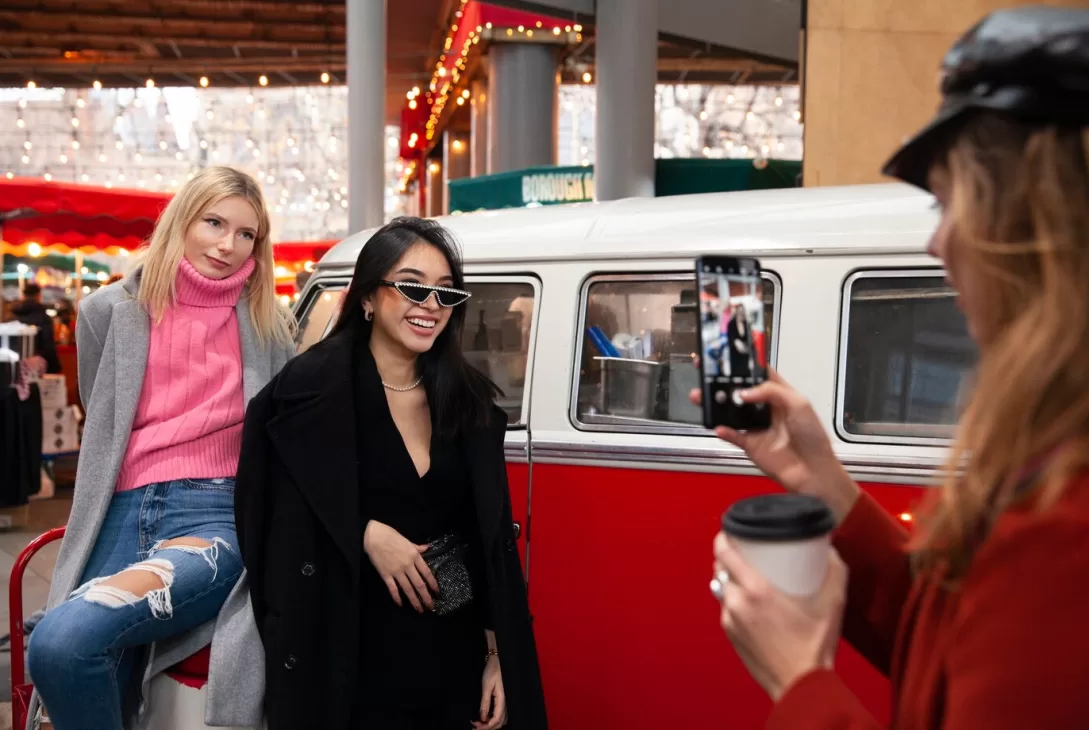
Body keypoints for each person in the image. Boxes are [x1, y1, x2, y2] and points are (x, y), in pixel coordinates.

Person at [699, 7, 1089, 729]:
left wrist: (800, 684)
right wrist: (826, 487)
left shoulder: (1063, 531)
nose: (935, 244)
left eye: (950, 203)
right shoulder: (1051, 450)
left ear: (1034, 225)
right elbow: (962, 635)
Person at [234, 217, 547, 730]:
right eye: (411, 286)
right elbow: (267, 516)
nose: (430, 305)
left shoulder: (466, 401)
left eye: (445, 293)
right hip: (348, 659)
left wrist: (498, 654)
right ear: (368, 298)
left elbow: (488, 540)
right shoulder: (307, 392)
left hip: (452, 659)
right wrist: (364, 531)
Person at [25, 167, 296, 730]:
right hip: (119, 511)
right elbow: (105, 419)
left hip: (215, 515)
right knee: (76, 658)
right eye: (214, 223)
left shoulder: (271, 323)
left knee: (64, 640)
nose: (228, 245)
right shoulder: (109, 311)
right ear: (182, 221)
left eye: (247, 234)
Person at [12, 283, 61, 374]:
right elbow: (48, 344)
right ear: (38, 296)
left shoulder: (13, 316)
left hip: (16, 365)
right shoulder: (43, 317)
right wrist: (54, 366)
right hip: (38, 363)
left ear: (23, 296)